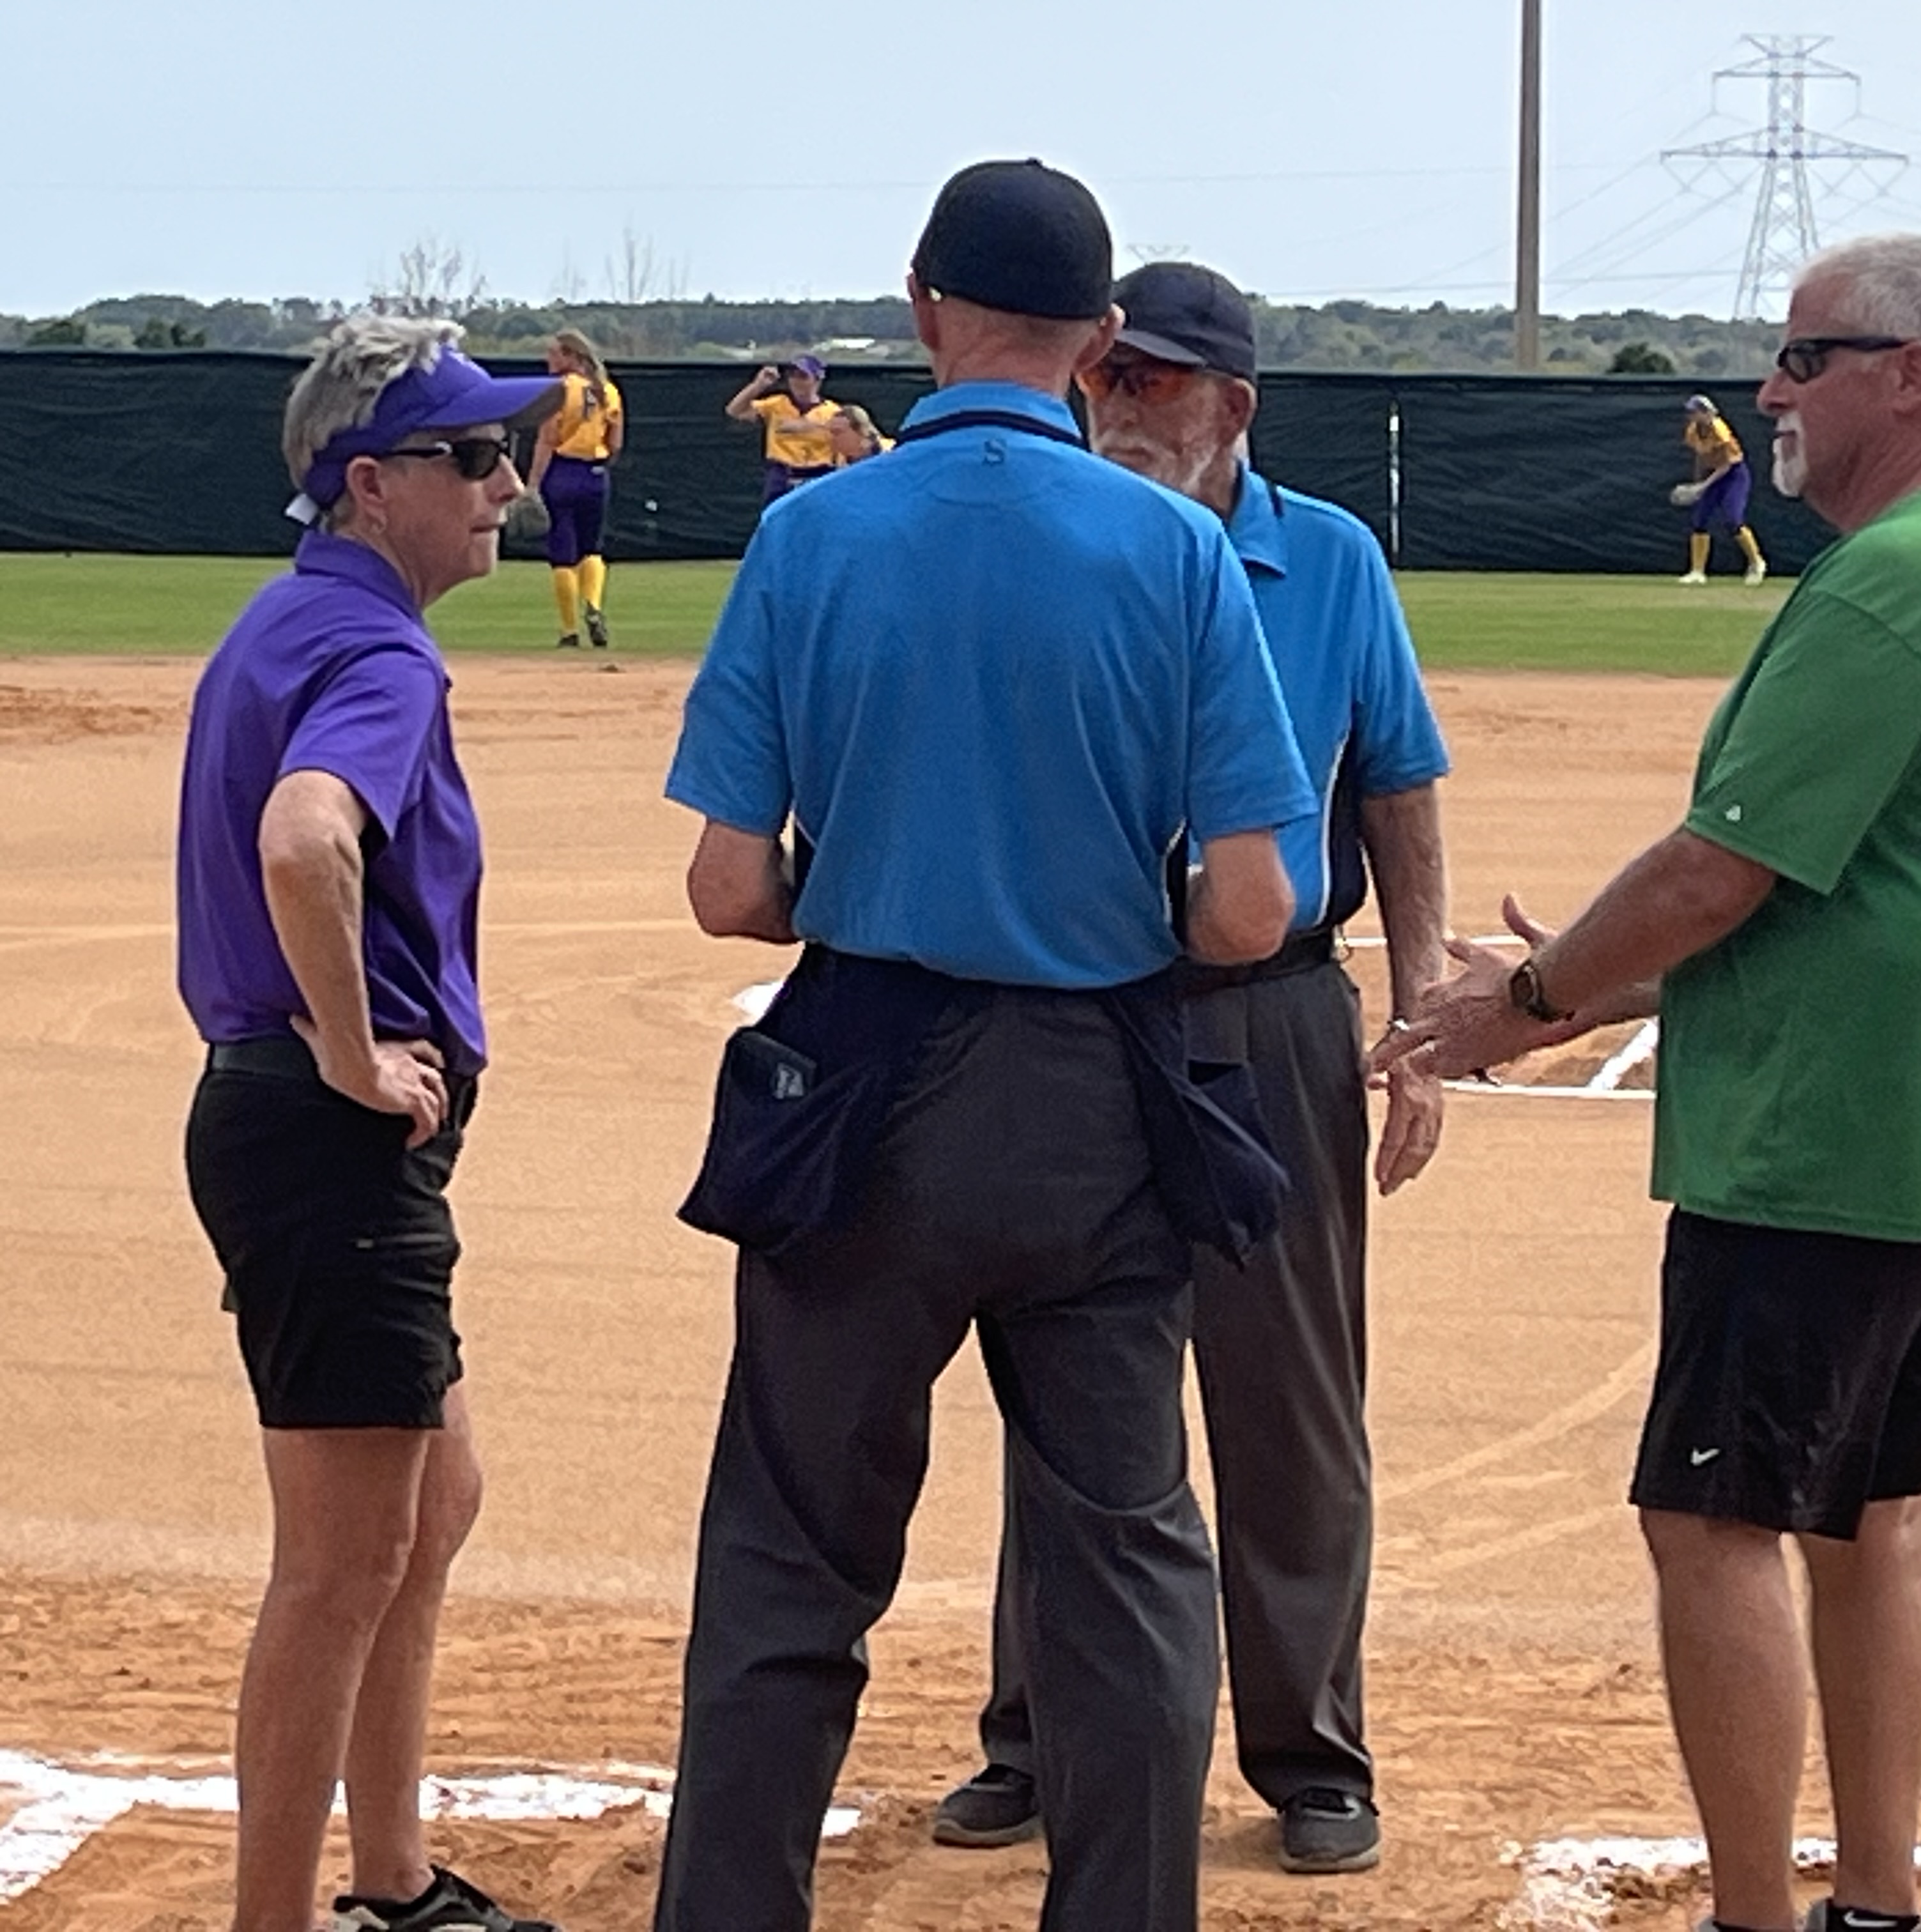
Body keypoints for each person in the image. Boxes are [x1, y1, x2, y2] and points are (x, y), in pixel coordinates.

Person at [1373, 234, 1921, 1932]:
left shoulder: (1902, 577)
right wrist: (1591, 979)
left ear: (1911, 375)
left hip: (1813, 1142)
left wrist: (1535, 998)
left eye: (1807, 358)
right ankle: (1871, 1903)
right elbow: (1844, 886)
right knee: (1869, 1518)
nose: (1773, 393)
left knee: (1710, 1523)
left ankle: (1756, 1919)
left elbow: (1728, 867)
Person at [651, 160, 1315, 1932]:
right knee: (1125, 1568)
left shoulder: (812, 532)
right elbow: (1253, 910)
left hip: (857, 1084)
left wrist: (849, 876)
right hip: (1098, 1095)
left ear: (923, 306)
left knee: (791, 1563)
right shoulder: (1176, 547)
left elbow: (727, 886)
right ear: (1101, 345)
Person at [931, 260, 1451, 1877]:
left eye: (1156, 383)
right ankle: (1038, 1733)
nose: (1122, 406)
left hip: (1268, 1007)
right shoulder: (1057, 537)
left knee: (1288, 1392)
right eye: (1109, 377)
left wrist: (1420, 1002)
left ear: (1234, 404)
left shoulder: (1333, 563)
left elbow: (1398, 783)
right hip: (1084, 1001)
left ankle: (1312, 1754)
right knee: (1069, 1385)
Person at [174, 316, 564, 1932]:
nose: (507, 486)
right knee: (336, 1567)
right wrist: (350, 1053)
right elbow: (303, 837)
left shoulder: (292, 622)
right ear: (365, 486)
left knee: (434, 1501)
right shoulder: (382, 653)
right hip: (325, 1134)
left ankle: (396, 1883)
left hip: (292, 1132)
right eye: (468, 459)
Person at [524, 327, 624, 648]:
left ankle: (569, 631)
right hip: (595, 474)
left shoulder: (559, 390)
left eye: (553, 353)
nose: (547, 359)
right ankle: (593, 606)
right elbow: (616, 442)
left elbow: (547, 440)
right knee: (592, 549)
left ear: (570, 356)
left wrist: (533, 485)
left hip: (563, 471)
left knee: (562, 555)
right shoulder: (607, 390)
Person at [723, 352, 848, 501]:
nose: (796, 381)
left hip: (818, 474)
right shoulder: (777, 404)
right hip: (782, 475)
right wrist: (758, 385)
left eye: (803, 377)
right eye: (793, 376)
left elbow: (846, 447)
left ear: (817, 380)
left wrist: (810, 426)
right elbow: (734, 411)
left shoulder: (833, 411)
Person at [1675, 393, 1766, 586]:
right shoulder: (1692, 431)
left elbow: (1725, 465)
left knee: (1733, 519)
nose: (1691, 416)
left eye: (1696, 412)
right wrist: (1696, 483)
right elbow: (1700, 458)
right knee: (1700, 520)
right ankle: (1697, 572)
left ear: (1707, 413)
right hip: (1712, 475)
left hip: (1734, 475)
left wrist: (1703, 486)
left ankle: (1756, 562)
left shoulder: (1719, 429)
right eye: (1690, 412)